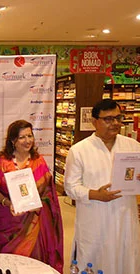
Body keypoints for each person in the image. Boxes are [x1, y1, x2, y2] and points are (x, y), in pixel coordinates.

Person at [64, 99, 140, 274]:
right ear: (94, 121)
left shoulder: (133, 146)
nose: (115, 123)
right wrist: (94, 194)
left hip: (125, 218)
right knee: (93, 258)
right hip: (94, 219)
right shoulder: (79, 150)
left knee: (126, 259)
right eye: (108, 119)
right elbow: (70, 187)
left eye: (118, 118)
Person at [0, 120, 63, 273]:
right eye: (22, 137)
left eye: (30, 136)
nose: (28, 140)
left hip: (35, 221)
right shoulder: (3, 163)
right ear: (13, 140)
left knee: (33, 263)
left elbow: (49, 193)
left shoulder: (39, 162)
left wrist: (41, 204)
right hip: (10, 221)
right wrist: (8, 202)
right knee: (11, 263)